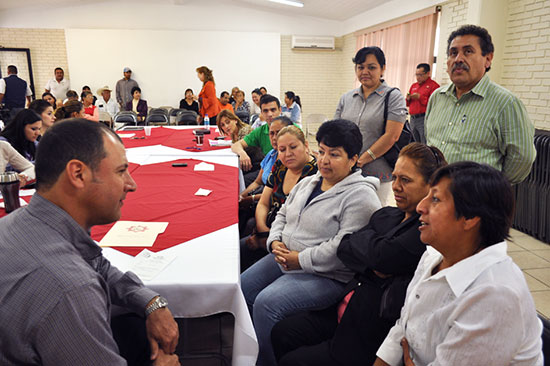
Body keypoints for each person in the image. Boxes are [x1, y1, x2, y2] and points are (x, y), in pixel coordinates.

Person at [0, 119, 180, 366]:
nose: (132, 184)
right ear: (78, 174)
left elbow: (96, 264)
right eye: (120, 171)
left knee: (132, 328)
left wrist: (151, 302)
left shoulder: (18, 222)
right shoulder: (72, 289)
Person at [272, 143, 447, 366]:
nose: (395, 186)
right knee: (282, 333)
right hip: (342, 308)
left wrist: (369, 250)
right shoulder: (388, 214)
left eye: (406, 180)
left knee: (289, 355)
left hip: (366, 328)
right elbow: (346, 247)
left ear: (431, 186)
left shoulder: (423, 231)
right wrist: (372, 257)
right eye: (394, 178)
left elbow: (384, 257)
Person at [241, 119, 382, 366]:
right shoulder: (309, 182)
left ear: (353, 159)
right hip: (285, 257)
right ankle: (253, 348)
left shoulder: (361, 196)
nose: (325, 160)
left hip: (327, 274)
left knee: (266, 303)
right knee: (244, 286)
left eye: (335, 155)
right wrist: (274, 242)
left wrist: (300, 259)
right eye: (323, 152)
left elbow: (343, 247)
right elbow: (283, 214)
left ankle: (267, 361)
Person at [374, 161, 543, 366]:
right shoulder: (434, 256)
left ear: (470, 218)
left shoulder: (495, 294)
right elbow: (404, 326)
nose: (420, 207)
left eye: (435, 199)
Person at [426, 24, 536, 185]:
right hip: (435, 195)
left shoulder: (505, 103)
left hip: (477, 202)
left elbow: (522, 158)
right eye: (453, 53)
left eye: (468, 51)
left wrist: (490, 187)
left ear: (488, 59)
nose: (458, 59)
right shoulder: (437, 97)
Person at [335, 46, 408, 206]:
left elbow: (392, 136)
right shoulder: (346, 98)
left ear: (383, 69)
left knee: (374, 216)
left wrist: (361, 160)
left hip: (377, 173)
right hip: (347, 172)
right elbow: (336, 132)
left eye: (372, 67)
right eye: (360, 67)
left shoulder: (393, 97)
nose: (365, 71)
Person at [240, 125, 317, 271]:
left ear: (306, 145)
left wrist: (266, 239)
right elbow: (263, 203)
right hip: (269, 232)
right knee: (236, 253)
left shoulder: (315, 174)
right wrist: (262, 228)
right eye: (282, 150)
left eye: (293, 147)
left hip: (287, 243)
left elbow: (298, 223)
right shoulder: (280, 166)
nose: (288, 154)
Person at [238, 116, 293, 235]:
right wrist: (242, 196)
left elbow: (277, 195)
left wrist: (250, 199)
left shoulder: (290, 161)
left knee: (248, 223)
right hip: (261, 198)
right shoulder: (271, 154)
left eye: (278, 133)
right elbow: (257, 182)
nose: (274, 137)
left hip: (274, 208)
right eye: (271, 133)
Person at [232, 94, 282, 171]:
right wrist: (242, 153)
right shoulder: (260, 131)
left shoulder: (293, 128)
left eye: (273, 110)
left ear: (280, 110)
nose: (269, 114)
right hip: (267, 170)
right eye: (265, 111)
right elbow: (236, 145)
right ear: (261, 112)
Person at [406, 63, 439, 144]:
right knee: (414, 142)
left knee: (424, 142)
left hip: (424, 118)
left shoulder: (434, 86)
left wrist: (420, 98)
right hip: (413, 118)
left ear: (428, 73)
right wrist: (408, 98)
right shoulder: (414, 85)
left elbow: (435, 105)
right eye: (416, 75)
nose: (418, 77)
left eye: (420, 75)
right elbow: (407, 104)